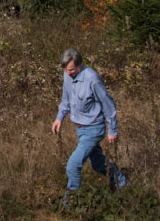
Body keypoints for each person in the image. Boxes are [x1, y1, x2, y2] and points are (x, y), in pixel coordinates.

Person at [50, 47, 124, 204]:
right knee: (98, 164)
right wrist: (59, 118)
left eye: (71, 70)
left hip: (94, 128)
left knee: (73, 166)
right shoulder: (67, 76)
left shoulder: (92, 79)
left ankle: (70, 204)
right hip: (80, 128)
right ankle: (123, 185)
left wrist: (113, 130)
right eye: (66, 70)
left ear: (79, 65)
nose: (68, 73)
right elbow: (66, 100)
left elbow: (108, 104)